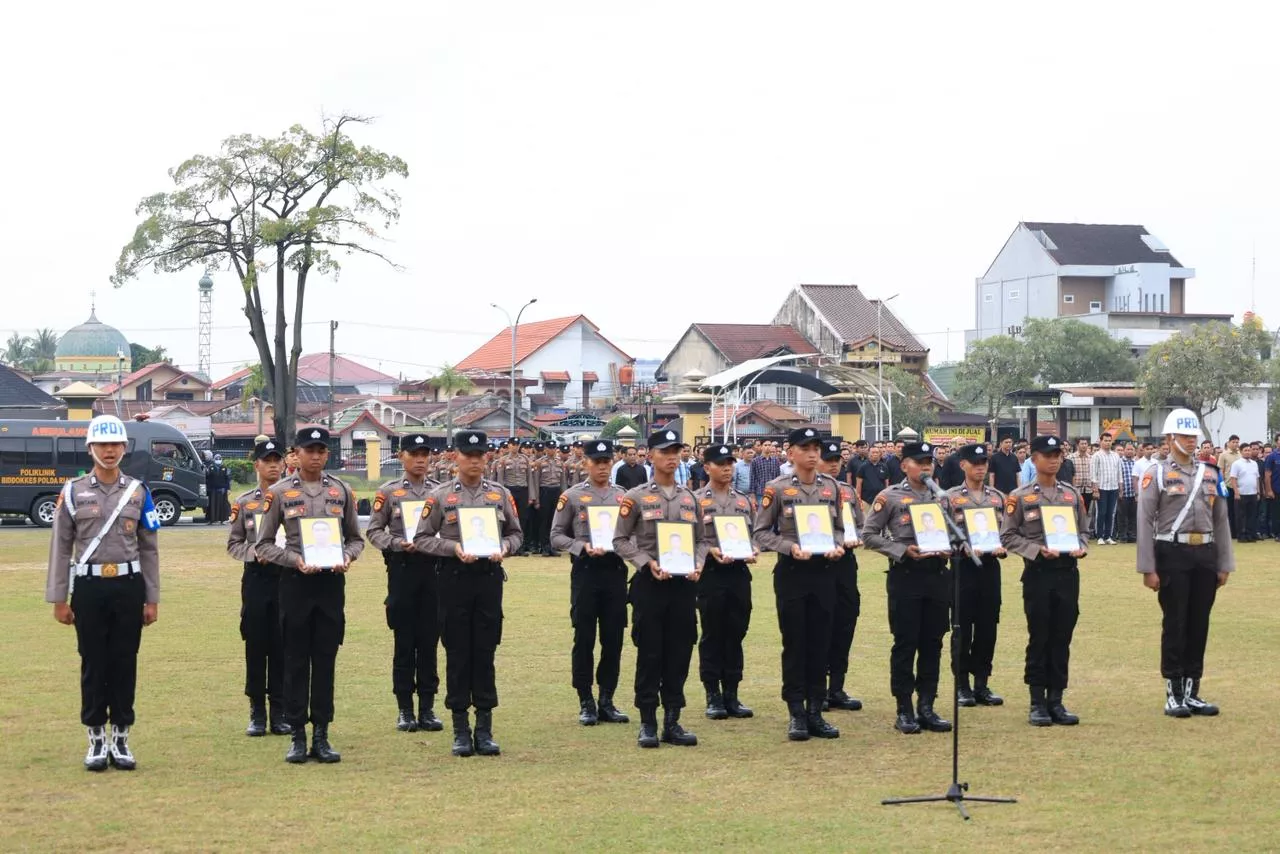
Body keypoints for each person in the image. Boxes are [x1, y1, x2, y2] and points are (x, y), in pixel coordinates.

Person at [46, 415, 160, 771]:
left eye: (115, 445)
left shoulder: (139, 492)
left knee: (125, 661)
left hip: (128, 586)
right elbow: (61, 548)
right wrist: (59, 598)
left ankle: (121, 737)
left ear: (125, 448)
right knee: (93, 661)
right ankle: (96, 738)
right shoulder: (72, 491)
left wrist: (152, 598)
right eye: (102, 445)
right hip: (90, 587)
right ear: (90, 448)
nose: (109, 451)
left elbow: (149, 547)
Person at [256, 427, 364, 764]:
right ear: (296, 454)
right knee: (295, 660)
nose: (315, 455)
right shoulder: (279, 493)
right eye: (309, 449)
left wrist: (348, 556)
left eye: (321, 449)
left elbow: (355, 539)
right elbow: (262, 544)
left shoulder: (341, 490)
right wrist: (294, 560)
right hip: (295, 584)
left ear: (327, 454)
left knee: (326, 659)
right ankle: (298, 735)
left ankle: (322, 733)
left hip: (331, 585)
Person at [414, 430, 522, 757]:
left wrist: (505, 546)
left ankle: (485, 729)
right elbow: (421, 538)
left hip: (488, 580)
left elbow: (517, 534)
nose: (474, 460)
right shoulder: (440, 496)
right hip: (454, 579)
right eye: (468, 455)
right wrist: (452, 548)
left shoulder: (500, 494)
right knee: (458, 653)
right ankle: (461, 728)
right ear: (456, 457)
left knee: (485, 652)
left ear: (486, 457)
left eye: (480, 454)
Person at [1136, 409, 1233, 718]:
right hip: (1171, 552)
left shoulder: (1210, 473)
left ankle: (1193, 691)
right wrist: (1147, 568)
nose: (1192, 442)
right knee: (1175, 622)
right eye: (1185, 436)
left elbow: (1221, 522)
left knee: (1199, 623)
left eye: (1194, 437)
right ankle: (1173, 691)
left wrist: (1224, 563)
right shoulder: (1158, 473)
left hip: (1205, 553)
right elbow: (1144, 520)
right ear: (1170, 438)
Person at [614, 429, 706, 748]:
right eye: (665, 451)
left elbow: (702, 540)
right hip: (650, 584)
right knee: (650, 652)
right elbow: (620, 540)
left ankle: (673, 720)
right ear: (650, 455)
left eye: (676, 451)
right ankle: (648, 722)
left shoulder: (689, 497)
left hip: (683, 587)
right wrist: (644, 561)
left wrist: (698, 562)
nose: (672, 457)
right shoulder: (636, 496)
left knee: (680, 652)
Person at [754, 427, 847, 742]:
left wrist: (837, 545)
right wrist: (789, 547)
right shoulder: (777, 489)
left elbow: (839, 529)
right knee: (795, 644)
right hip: (793, 572)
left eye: (815, 448)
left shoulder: (832, 488)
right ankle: (796, 711)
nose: (812, 453)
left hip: (824, 573)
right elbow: (761, 532)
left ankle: (816, 711)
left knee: (821, 643)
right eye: (804, 448)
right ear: (790, 452)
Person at [862, 441, 953, 735]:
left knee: (933, 642)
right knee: (906, 642)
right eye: (919, 461)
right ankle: (904, 708)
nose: (926, 466)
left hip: (938, 575)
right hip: (906, 576)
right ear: (904, 466)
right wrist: (900, 550)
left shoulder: (943, 498)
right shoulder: (889, 497)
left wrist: (951, 547)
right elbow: (869, 535)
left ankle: (927, 705)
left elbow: (954, 533)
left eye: (930, 461)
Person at [999, 435, 1088, 727]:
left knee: (1062, 636)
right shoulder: (1020, 496)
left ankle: (1057, 700)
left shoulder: (1071, 495)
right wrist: (1036, 550)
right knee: (1040, 636)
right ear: (1033, 459)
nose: (1054, 459)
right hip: (1038, 574)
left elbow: (1084, 531)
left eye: (1058, 455)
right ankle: (1037, 701)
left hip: (1067, 573)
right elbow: (1008, 536)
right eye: (1048, 455)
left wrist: (1082, 546)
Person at [365, 433, 444, 735]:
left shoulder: (440, 492)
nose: (421, 459)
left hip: (434, 571)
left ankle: (427, 707)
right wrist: (398, 543)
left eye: (425, 453)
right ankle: (404, 709)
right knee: (404, 642)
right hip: (402, 570)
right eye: (414, 453)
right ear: (401, 457)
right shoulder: (389, 492)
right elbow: (374, 531)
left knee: (429, 642)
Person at [550, 438, 630, 726]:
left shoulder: (623, 496)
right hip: (586, 572)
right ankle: (585, 700)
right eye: (597, 462)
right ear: (586, 463)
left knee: (613, 639)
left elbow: (633, 534)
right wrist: (580, 547)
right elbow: (556, 536)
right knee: (584, 638)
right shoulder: (571, 496)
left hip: (615, 572)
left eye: (607, 461)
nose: (602, 467)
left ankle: (607, 699)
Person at [226, 437, 291, 738]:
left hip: (287, 578)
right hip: (256, 579)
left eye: (278, 460)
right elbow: (234, 543)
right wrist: (256, 554)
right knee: (255, 644)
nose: (274, 465)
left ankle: (279, 711)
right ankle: (256, 711)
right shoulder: (245, 503)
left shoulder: (293, 498)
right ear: (257, 465)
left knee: (281, 645)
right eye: (268, 461)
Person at [694, 444, 757, 721]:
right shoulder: (695, 500)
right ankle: (713, 694)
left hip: (739, 573)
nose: (728, 467)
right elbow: (694, 539)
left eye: (730, 462)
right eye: (721, 463)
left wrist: (752, 548)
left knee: (736, 631)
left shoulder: (743, 501)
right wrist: (710, 550)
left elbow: (752, 532)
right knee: (712, 633)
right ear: (707, 467)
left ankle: (732, 692)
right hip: (711, 574)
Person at [946, 443, 1007, 708]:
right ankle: (962, 685)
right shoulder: (948, 498)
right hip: (962, 569)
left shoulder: (997, 498)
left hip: (990, 567)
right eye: (975, 463)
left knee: (987, 627)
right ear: (963, 465)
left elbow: (1006, 531)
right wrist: (960, 546)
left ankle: (981, 682)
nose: (981, 467)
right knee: (961, 627)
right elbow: (940, 535)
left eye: (984, 463)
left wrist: (1005, 546)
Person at [819, 439, 864, 713]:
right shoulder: (809, 492)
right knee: (821, 625)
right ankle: (818, 689)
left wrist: (855, 537)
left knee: (845, 622)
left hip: (845, 563)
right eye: (829, 459)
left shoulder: (847, 492)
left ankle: (836, 687)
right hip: (819, 563)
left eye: (837, 460)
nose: (834, 464)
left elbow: (858, 524)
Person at [495, 441, 534, 556]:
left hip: (522, 490)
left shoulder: (525, 460)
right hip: (509, 490)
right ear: (509, 446)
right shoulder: (503, 460)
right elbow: (500, 479)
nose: (515, 447)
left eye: (517, 445)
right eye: (513, 445)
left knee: (523, 518)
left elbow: (530, 478)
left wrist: (531, 496)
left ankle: (520, 546)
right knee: (508, 518)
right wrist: (500, 495)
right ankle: (508, 545)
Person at [1228, 445, 1260, 542]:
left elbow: (1257, 478)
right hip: (1241, 493)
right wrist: (1236, 492)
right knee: (1241, 516)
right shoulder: (1237, 464)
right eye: (1245, 450)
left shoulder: (1254, 463)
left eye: (1249, 450)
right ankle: (1241, 535)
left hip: (1253, 493)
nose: (1248, 452)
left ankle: (1250, 535)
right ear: (1241, 452)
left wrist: (1258, 492)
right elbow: (1233, 479)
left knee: (1252, 515)